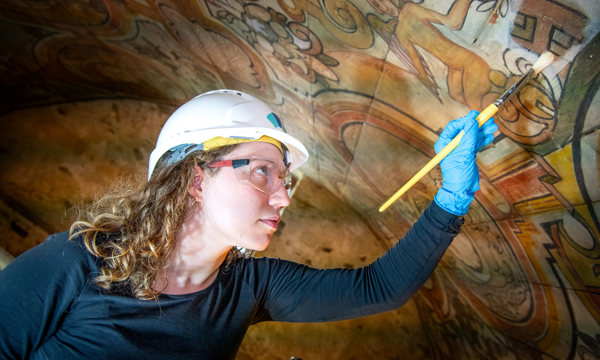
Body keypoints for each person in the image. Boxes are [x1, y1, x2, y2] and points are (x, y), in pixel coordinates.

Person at [0, 89, 497, 359]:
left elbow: (379, 287)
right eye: (263, 171)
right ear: (196, 179)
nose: (282, 197)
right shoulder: (79, 260)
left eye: (285, 179)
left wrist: (452, 197)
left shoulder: (251, 286)